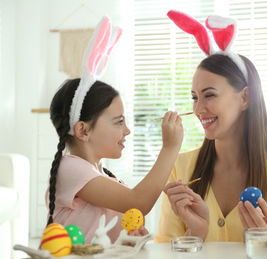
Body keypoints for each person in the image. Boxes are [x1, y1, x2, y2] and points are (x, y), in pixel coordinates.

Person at [155, 11, 267, 244]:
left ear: (245, 98)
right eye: (194, 97)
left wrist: (265, 246)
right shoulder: (178, 170)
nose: (198, 109)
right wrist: (195, 234)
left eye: (209, 95)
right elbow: (163, 249)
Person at [45, 16, 184, 244]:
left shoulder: (108, 181)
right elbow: (138, 202)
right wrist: (170, 148)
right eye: (119, 122)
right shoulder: (68, 168)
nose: (127, 130)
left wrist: (126, 236)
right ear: (83, 131)